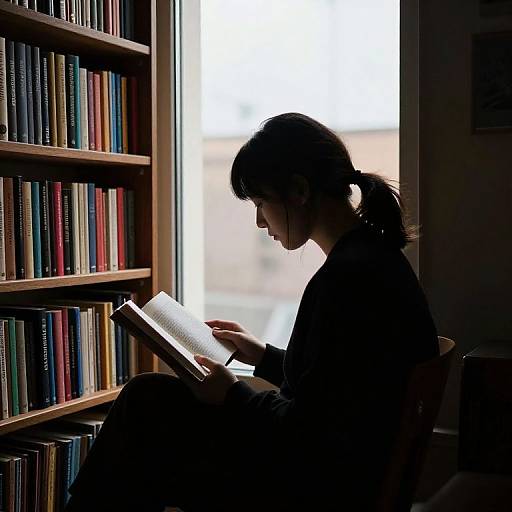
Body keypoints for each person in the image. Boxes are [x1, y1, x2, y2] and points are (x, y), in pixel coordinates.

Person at [65, 113, 438, 511]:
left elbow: (306, 430)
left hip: (316, 488)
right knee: (151, 408)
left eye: (260, 203)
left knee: (145, 406)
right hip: (343, 474)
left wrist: (232, 393)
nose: (260, 221)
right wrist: (261, 356)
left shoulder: (346, 280)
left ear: (298, 190)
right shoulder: (374, 259)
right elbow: (336, 386)